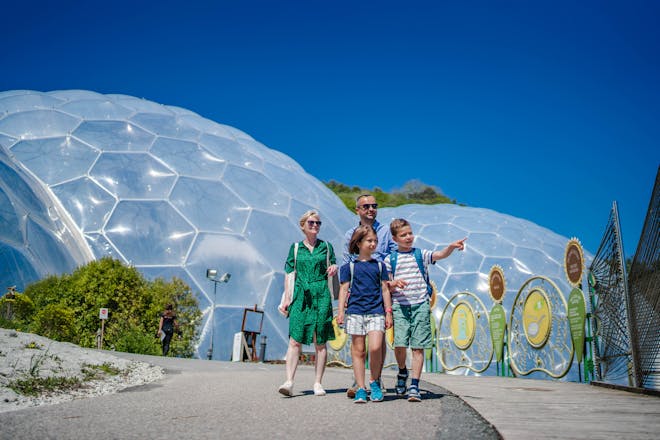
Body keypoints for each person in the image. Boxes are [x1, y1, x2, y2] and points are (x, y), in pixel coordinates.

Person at [385, 218, 466, 402]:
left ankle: (414, 385)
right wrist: (393, 284)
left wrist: (451, 247)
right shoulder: (391, 259)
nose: (408, 237)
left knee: (418, 347)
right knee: (399, 344)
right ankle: (403, 371)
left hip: (420, 304)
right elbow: (386, 285)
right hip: (400, 307)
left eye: (410, 233)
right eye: (403, 235)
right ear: (395, 238)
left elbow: (439, 255)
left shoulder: (420, 254)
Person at [278, 210, 338, 397]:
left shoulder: (326, 247)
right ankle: (289, 381)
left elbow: (334, 264)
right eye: (311, 222)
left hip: (321, 294)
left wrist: (334, 267)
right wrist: (287, 298)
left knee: (320, 341)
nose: (315, 226)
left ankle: (318, 383)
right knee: (295, 339)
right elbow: (289, 273)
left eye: (318, 223)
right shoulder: (295, 248)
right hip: (300, 296)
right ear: (303, 225)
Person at [342, 194, 397, 397]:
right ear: (357, 209)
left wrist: (390, 279)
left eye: (374, 205)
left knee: (377, 340)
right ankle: (360, 383)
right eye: (366, 206)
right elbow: (347, 263)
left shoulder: (386, 231)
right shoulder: (350, 234)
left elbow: (394, 255)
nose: (371, 209)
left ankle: (376, 378)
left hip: (382, 285)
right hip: (360, 293)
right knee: (358, 344)